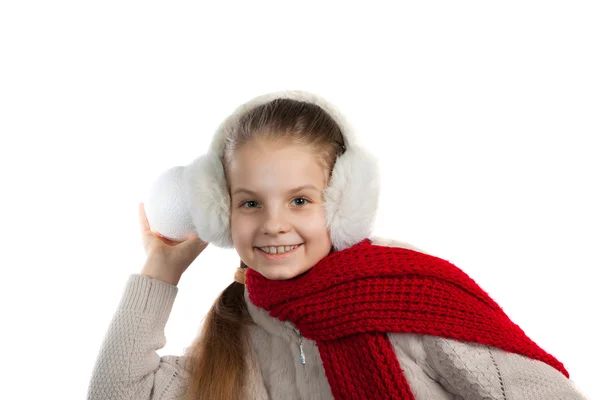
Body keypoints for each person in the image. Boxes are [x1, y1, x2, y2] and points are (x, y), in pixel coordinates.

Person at [87, 91, 588, 400]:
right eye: (249, 203)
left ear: (343, 201)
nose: (273, 225)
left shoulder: (412, 304)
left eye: (301, 200)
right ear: (219, 210)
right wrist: (161, 268)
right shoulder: (235, 337)